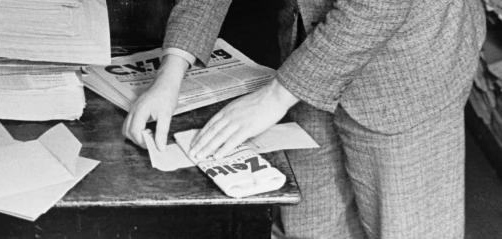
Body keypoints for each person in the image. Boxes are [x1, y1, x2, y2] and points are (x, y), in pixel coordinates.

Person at [122, 0, 486, 238]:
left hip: (406, 68)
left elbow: (379, 6)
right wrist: (172, 70)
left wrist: (276, 96)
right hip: (313, 47)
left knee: (406, 228)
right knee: (310, 227)